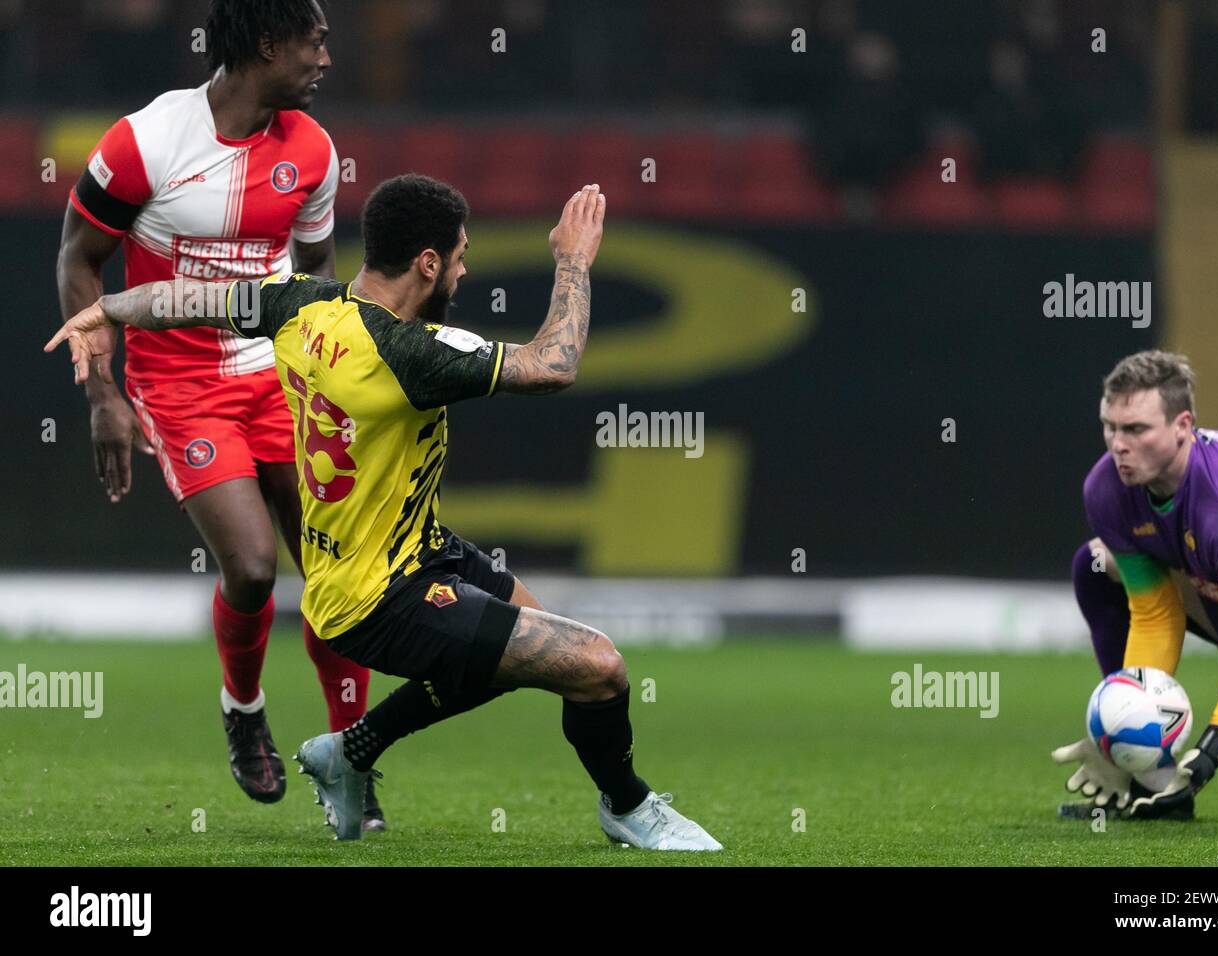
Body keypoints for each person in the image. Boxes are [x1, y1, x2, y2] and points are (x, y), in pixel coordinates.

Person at [48, 175, 723, 851]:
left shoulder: (299, 303)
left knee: (531, 647)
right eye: (458, 256)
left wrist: (107, 310)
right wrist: (573, 261)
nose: (464, 268)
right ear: (427, 263)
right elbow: (554, 365)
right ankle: (630, 809)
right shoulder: (410, 352)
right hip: (380, 599)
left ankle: (351, 751)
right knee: (598, 666)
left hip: (412, 553)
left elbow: (184, 299)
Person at [53, 0, 386, 826]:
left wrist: (339, 380)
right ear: (267, 45)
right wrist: (104, 395)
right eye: (315, 43)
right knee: (252, 568)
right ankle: (244, 710)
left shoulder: (312, 151)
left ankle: (351, 758)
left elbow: (317, 274)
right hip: (182, 385)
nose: (326, 61)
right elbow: (78, 260)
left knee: (338, 577)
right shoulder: (145, 142)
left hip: (280, 378)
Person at [1056, 350, 1218, 827]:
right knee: (1095, 564)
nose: (1117, 446)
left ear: (1183, 425)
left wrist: (1210, 751)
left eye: (1136, 430)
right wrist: (1120, 728)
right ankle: (1153, 782)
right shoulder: (1106, 489)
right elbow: (1154, 612)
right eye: (1111, 426)